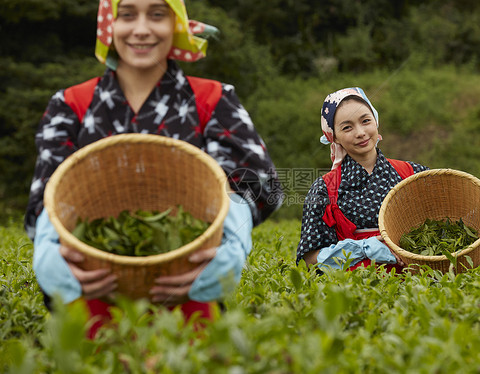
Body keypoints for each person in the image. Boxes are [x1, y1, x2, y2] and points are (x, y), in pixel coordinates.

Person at [25, 0, 282, 338]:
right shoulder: (72, 104)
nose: (142, 29)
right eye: (127, 14)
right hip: (92, 294)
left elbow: (257, 183)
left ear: (175, 24)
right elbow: (50, 192)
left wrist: (231, 240)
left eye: (157, 14)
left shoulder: (212, 99)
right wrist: (48, 250)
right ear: (109, 25)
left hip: (188, 289)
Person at [296, 87, 429, 271]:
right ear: (334, 136)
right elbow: (310, 259)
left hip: (417, 286)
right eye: (347, 127)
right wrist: (363, 248)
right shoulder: (323, 189)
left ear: (376, 121)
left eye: (365, 121)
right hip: (358, 288)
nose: (360, 132)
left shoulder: (413, 173)